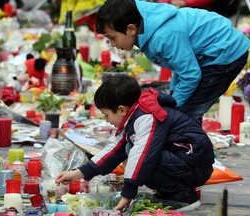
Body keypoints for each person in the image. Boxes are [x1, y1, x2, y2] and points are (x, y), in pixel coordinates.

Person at [55, 74, 215, 211]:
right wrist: (78, 173)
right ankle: (167, 193)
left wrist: (128, 192)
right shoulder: (134, 115)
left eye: (106, 115)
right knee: (127, 148)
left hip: (195, 167)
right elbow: (113, 149)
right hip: (183, 163)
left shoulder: (146, 117)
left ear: (122, 110)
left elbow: (143, 154)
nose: (106, 120)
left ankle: (184, 197)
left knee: (136, 153)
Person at [95, 0, 250, 125]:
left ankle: (192, 157)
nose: (112, 44)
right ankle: (189, 151)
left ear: (131, 29)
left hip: (225, 52)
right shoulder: (144, 28)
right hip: (209, 54)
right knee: (181, 111)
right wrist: (173, 95)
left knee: (188, 113)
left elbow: (190, 74)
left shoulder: (163, 36)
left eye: (112, 38)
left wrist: (174, 103)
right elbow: (180, 65)